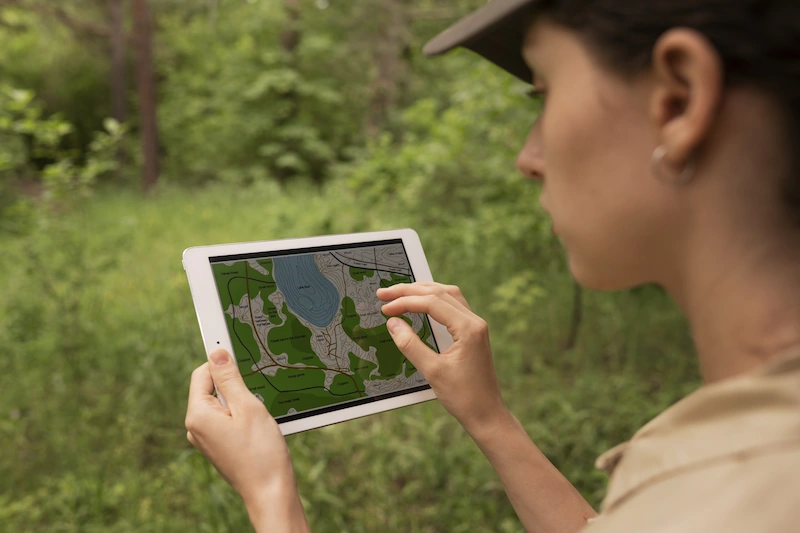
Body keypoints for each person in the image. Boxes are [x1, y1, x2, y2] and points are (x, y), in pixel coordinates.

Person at [184, 0, 800, 531]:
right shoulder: (750, 450)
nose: (527, 156)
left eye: (547, 93)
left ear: (680, 97)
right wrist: (488, 417)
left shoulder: (744, 488)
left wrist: (271, 499)